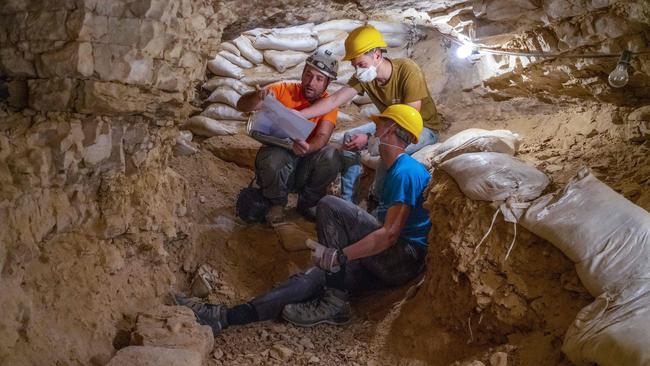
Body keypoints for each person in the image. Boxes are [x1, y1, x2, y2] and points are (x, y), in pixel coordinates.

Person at [175, 104, 431, 334]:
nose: (376, 128)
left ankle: (333, 297)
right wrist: (335, 259)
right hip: (386, 259)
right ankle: (226, 317)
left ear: (392, 130)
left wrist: (340, 255)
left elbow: (389, 235)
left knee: (330, 205)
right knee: (314, 276)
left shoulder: (406, 172)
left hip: (402, 258)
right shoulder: (391, 170)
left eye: (381, 124)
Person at [299, 25, 441, 203]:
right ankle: (348, 202)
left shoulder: (407, 70)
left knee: (387, 149)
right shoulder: (366, 77)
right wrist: (300, 115)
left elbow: (408, 119)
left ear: (377, 55)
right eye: (354, 65)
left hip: (421, 128)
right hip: (389, 124)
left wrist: (370, 138)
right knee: (349, 137)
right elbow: (334, 100)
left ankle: (377, 202)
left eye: (361, 64)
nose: (358, 70)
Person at [237, 50, 341, 223]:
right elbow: (241, 106)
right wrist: (256, 97)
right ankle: (276, 203)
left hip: (303, 164)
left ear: (328, 83)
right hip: (278, 160)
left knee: (331, 155)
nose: (311, 83)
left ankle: (307, 203)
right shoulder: (283, 90)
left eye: (319, 79)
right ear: (302, 73)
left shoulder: (328, 103)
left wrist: (308, 148)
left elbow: (323, 135)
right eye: (308, 75)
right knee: (274, 158)